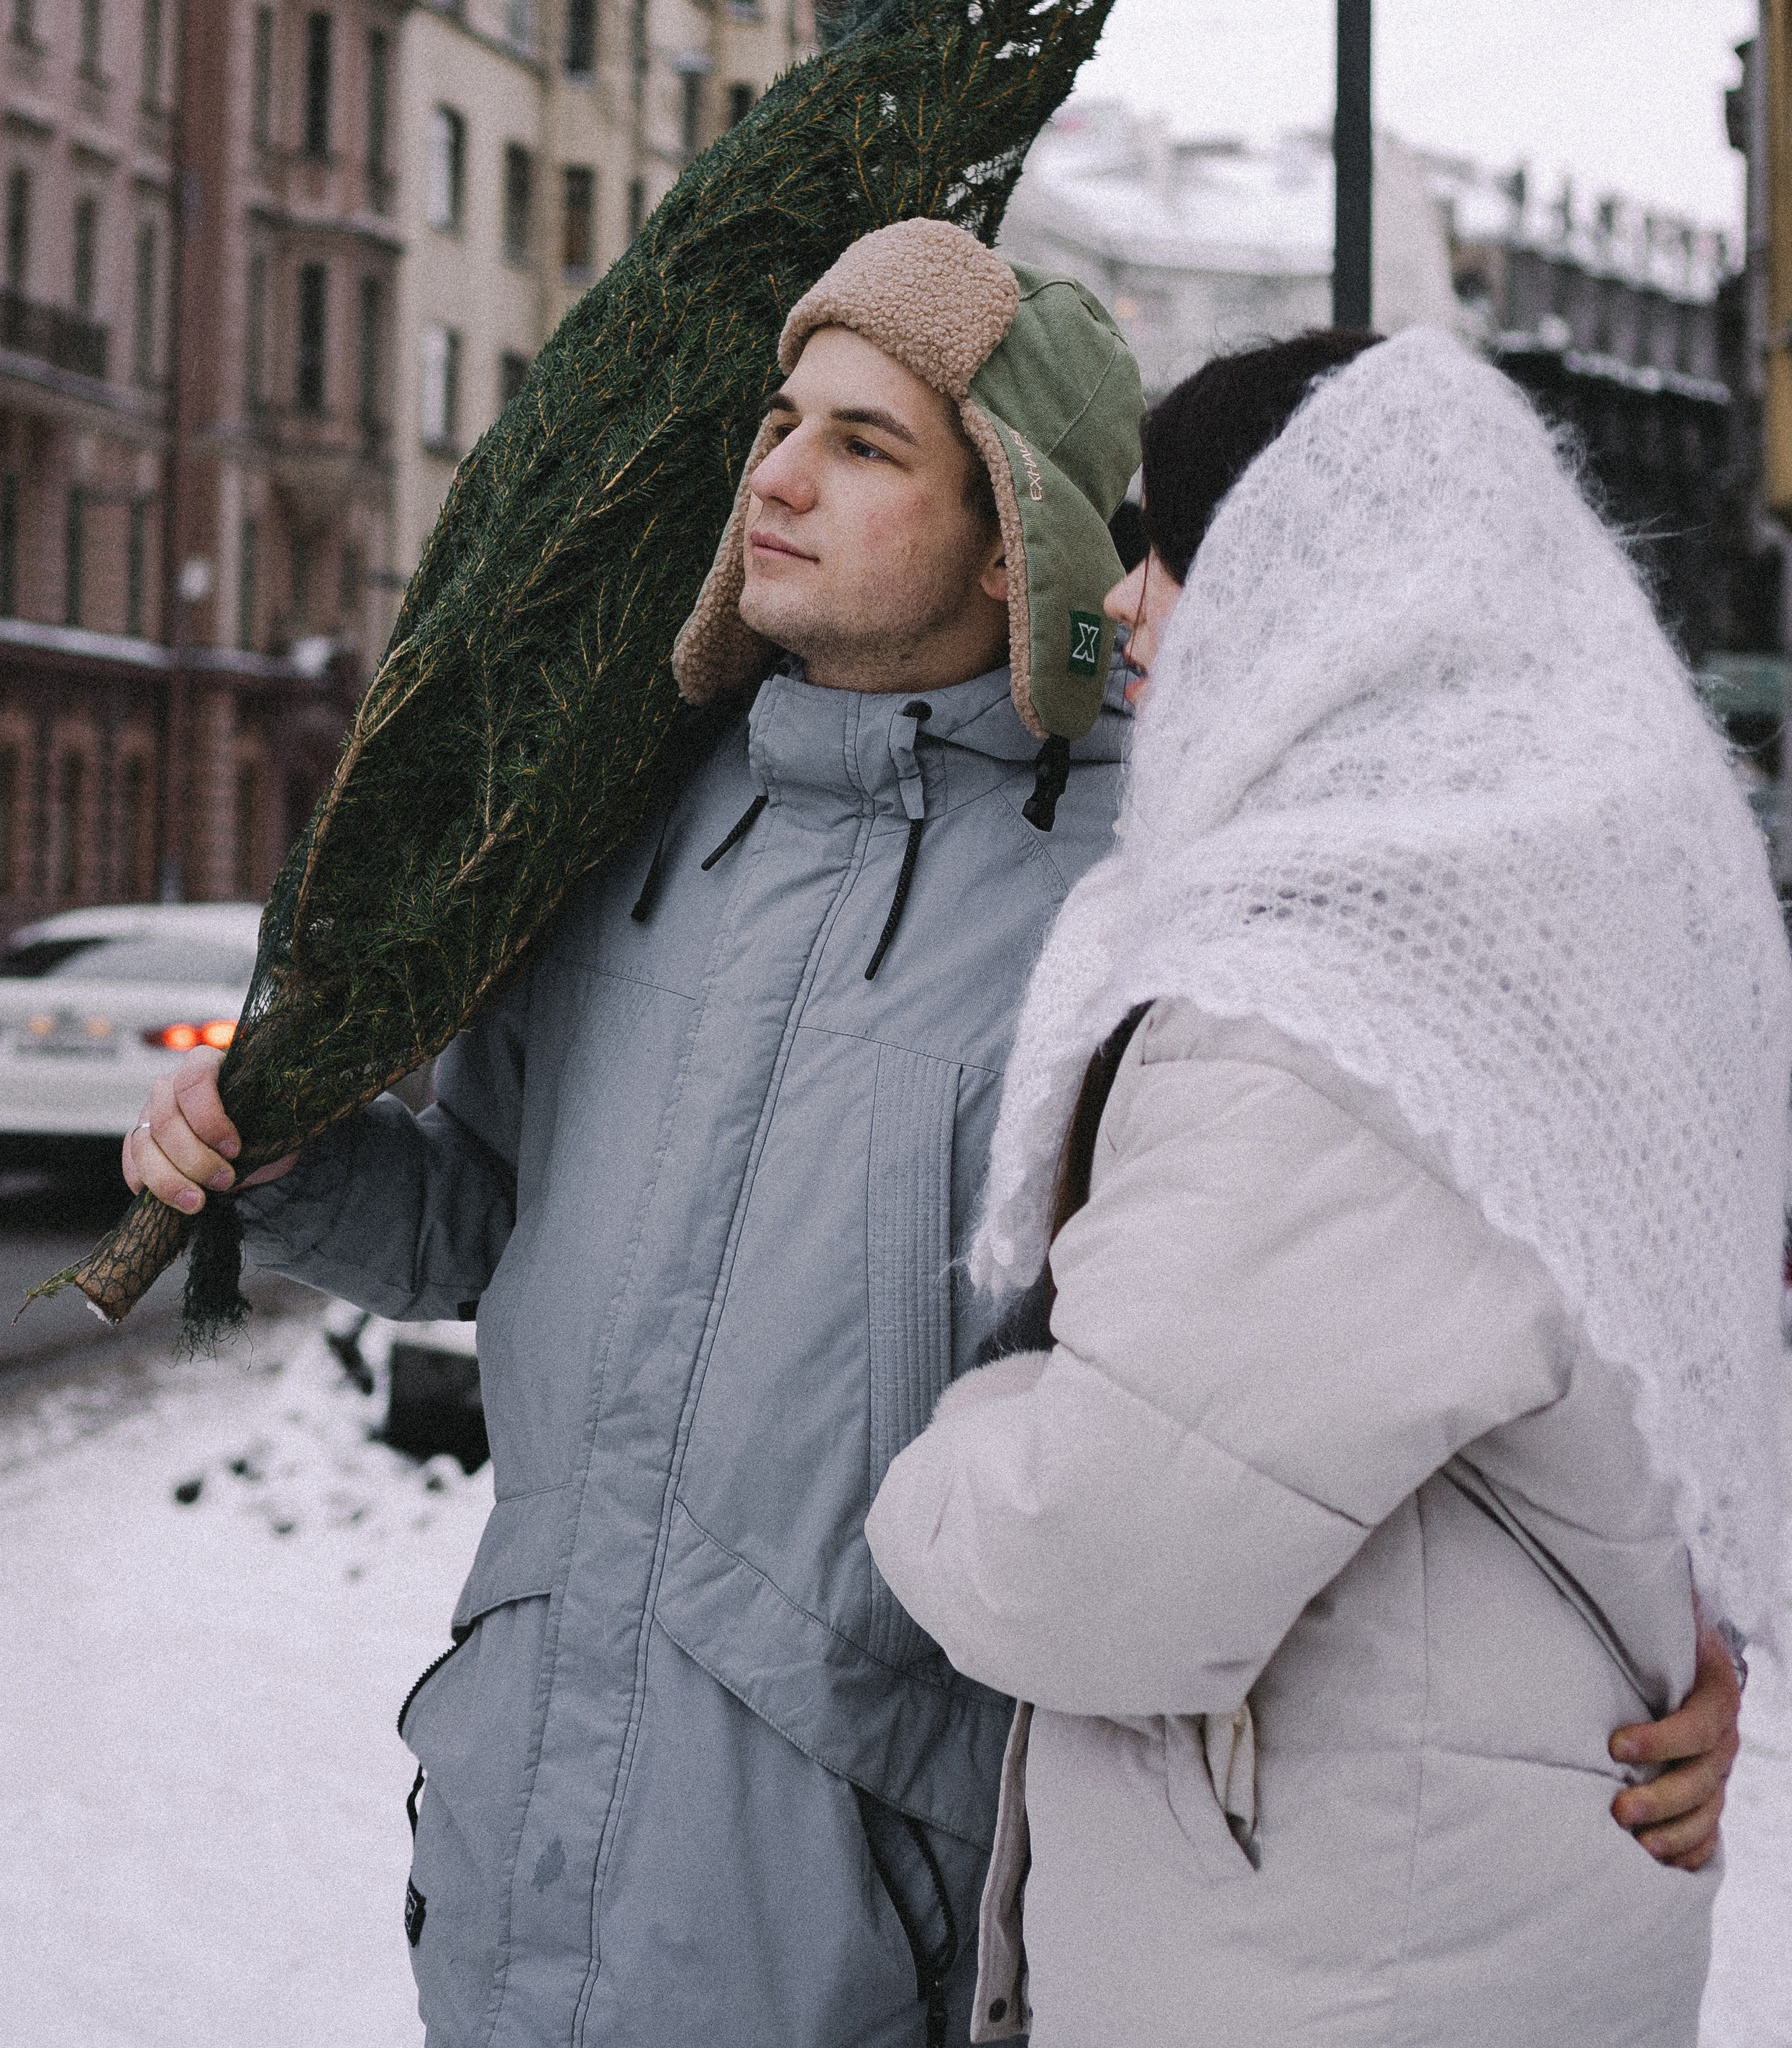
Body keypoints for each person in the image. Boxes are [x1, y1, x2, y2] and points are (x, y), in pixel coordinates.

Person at [128, 300, 1744, 2048]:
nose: (779, 476)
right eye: (779, 419)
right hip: (519, 1843)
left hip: (868, 1909)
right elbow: (483, 1223)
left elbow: (1414, 1330)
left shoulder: (1154, 895)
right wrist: (289, 1164)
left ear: (1015, 537)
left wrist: (1649, 1632)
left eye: (864, 444)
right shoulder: (616, 836)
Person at [867, 326, 1786, 2047]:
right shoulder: (1582, 909)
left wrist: (946, 1453)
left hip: (1336, 1942)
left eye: (1172, 547)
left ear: (1318, 583)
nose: (1127, 602)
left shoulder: (1332, 1001)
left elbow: (1097, 1563)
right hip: (1480, 1891)